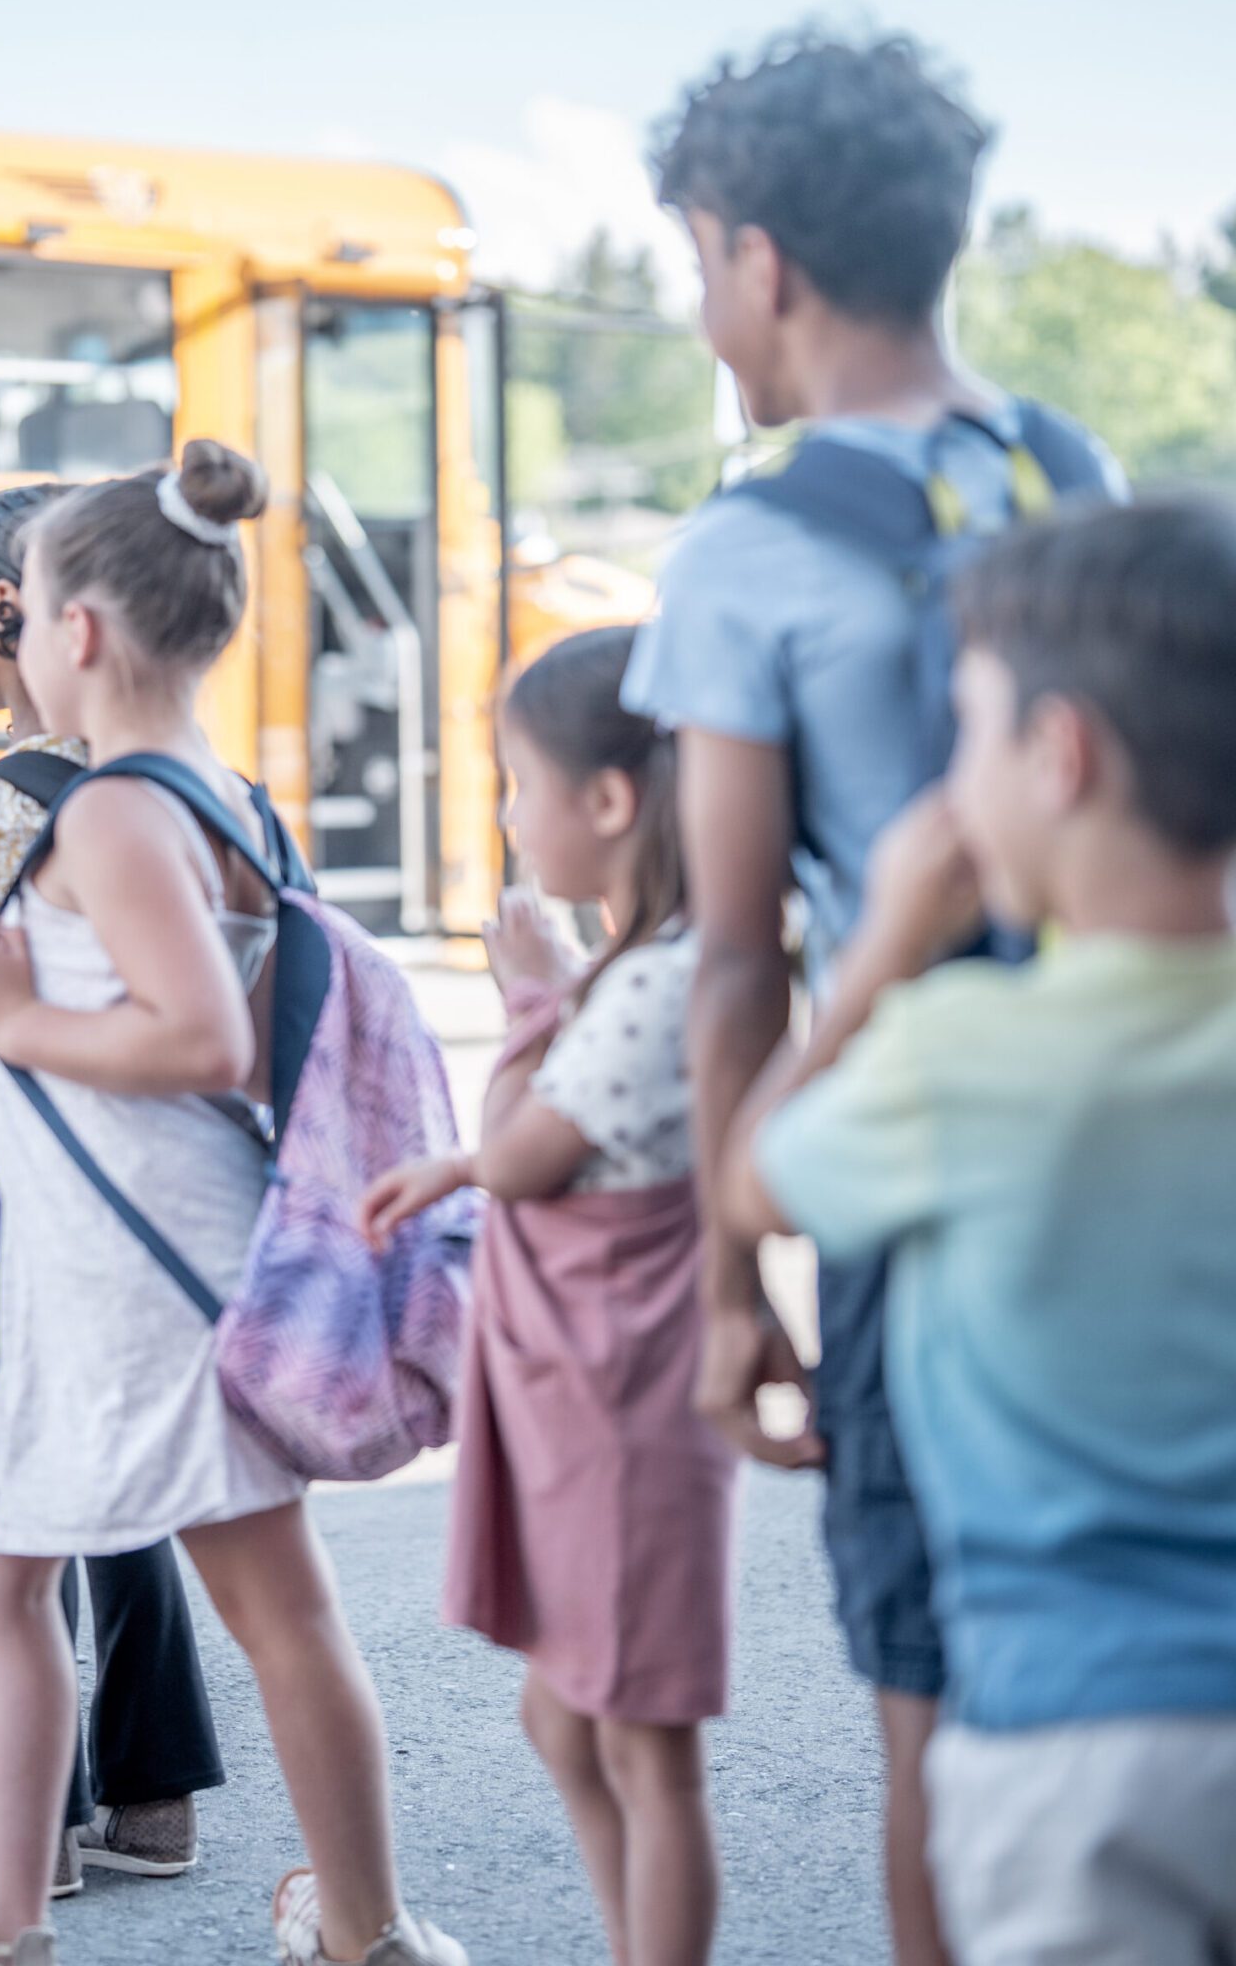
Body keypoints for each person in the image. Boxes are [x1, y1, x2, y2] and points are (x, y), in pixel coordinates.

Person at [725, 494, 1236, 1966]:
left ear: (1063, 756)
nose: (953, 791)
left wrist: (877, 958)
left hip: (1063, 1740)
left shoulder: (955, 1052)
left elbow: (757, 1178)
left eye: (971, 738)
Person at [618, 23, 1123, 1966]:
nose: (701, 309)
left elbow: (736, 952)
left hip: (918, 1164)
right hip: (1132, 1130)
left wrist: (738, 1282)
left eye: (693, 263)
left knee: (932, 1694)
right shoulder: (1076, 473)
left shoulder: (745, 551)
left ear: (762, 261)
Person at [0, 443, 466, 1966]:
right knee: (15, 1566)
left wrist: (2, 1015)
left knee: (248, 1596)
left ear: (79, 634)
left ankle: (350, 1928)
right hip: (143, 1264)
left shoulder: (110, 816)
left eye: (18, 612)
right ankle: (18, 1929)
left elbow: (198, 1038)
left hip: (149, 1274)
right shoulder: (216, 795)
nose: (11, 640)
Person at [0, 484, 223, 1901]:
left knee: (19, 1503)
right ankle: (150, 1796)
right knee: (119, 1484)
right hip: (125, 1175)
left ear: (10, 615)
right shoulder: (151, 781)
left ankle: (39, 1826)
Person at [360, 626, 734, 1966]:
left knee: (641, 1743)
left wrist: (527, 999)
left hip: (628, 1421)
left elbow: (528, 1149)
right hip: (598, 1412)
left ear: (612, 803)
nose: (510, 817)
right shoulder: (654, 972)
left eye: (518, 785)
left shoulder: (658, 982)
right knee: (569, 1719)